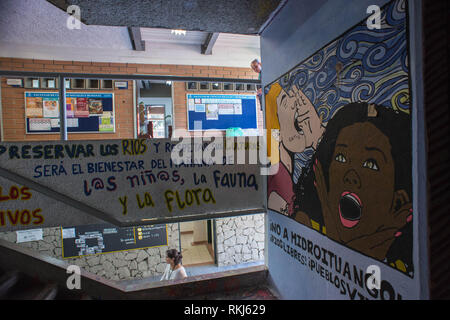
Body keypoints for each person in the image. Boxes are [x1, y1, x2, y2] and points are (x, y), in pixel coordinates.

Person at [293, 102, 413, 274]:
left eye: (370, 164)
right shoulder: (306, 223)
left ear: (398, 200)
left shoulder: (404, 266)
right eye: (341, 158)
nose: (351, 175)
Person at [266, 82, 325, 216]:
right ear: (278, 133)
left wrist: (318, 136)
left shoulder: (294, 172)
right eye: (284, 101)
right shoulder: (278, 181)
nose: (294, 103)